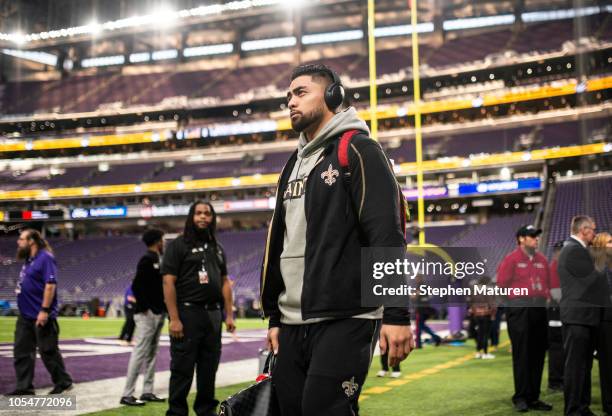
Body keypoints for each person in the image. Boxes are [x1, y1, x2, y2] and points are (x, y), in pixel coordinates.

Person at [260, 63, 414, 416]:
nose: (291, 103)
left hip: (347, 316)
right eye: (288, 97)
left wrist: (396, 313)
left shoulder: (359, 149)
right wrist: (274, 318)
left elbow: (386, 235)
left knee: (324, 410)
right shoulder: (292, 164)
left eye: (300, 93)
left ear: (333, 95)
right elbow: (280, 242)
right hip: (292, 321)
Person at [162, 201, 236, 416]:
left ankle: (206, 410)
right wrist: (174, 318)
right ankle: (176, 412)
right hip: (187, 314)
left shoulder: (217, 247)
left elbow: (224, 282)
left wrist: (229, 315)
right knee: (182, 369)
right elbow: (168, 282)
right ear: (191, 217)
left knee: (208, 368)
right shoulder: (178, 245)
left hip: (213, 315)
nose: (203, 217)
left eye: (207, 214)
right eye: (198, 213)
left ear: (212, 218)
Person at [8, 229, 73, 395]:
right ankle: (24, 387)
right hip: (25, 314)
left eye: (21, 239)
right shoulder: (29, 260)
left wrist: (44, 310)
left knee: (48, 351)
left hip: (40, 314)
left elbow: (50, 284)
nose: (18, 242)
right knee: (21, 351)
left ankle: (63, 382)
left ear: (31, 241)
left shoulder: (45, 257)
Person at [497, 224, 553, 412]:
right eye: (532, 236)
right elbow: (502, 285)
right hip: (520, 309)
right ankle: (520, 396)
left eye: (537, 236)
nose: (536, 238)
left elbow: (547, 284)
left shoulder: (542, 260)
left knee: (537, 354)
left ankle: (533, 397)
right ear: (521, 238)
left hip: (539, 309)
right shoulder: (511, 259)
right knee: (522, 355)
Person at [558, 216, 610, 416]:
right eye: (593, 230)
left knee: (584, 367)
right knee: (575, 367)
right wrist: (602, 258)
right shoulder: (572, 249)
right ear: (584, 230)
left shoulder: (576, 249)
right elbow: (590, 278)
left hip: (584, 318)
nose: (595, 234)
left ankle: (582, 407)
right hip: (577, 317)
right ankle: (573, 410)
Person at [120, 229, 167, 406]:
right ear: (157, 241)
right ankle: (127, 393)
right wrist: (148, 308)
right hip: (148, 314)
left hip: (157, 312)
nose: (164, 242)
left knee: (152, 352)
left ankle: (147, 391)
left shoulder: (156, 258)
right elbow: (137, 285)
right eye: (162, 239)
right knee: (140, 352)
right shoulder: (147, 259)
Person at [591, 232, 612, 416]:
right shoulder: (596, 270)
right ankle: (609, 404)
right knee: (607, 366)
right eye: (610, 242)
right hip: (605, 322)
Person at [547, 240, 564, 392]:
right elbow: (557, 294)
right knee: (557, 349)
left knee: (559, 349)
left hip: (558, 312)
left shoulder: (557, 266)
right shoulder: (555, 267)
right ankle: (556, 381)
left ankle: (558, 380)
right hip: (556, 314)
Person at [469, 276, 497, 359]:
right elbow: (492, 304)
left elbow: (471, 303)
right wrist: (493, 314)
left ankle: (478, 352)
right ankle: (485, 353)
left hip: (477, 314)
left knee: (480, 334)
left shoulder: (474, 290)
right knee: (486, 335)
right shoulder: (488, 290)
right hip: (486, 314)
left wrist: (474, 312)